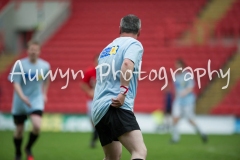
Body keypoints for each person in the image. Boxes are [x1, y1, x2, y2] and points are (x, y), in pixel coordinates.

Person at [92, 14, 147, 160]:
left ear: (120, 29)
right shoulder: (134, 44)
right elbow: (127, 64)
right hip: (116, 106)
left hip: (99, 110)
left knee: (112, 157)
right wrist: (123, 92)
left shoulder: (107, 49)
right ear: (139, 31)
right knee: (139, 151)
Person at [9, 41, 50, 160]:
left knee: (37, 126)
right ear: (27, 51)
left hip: (36, 99)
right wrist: (22, 97)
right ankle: (18, 152)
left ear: (39, 51)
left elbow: (47, 80)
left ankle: (28, 147)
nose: (33, 52)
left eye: (35, 49)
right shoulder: (19, 65)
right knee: (19, 130)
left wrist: (44, 94)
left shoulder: (45, 66)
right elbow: (15, 82)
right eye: (31, 49)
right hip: (20, 100)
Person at [171, 58, 207, 143]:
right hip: (179, 101)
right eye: (176, 65)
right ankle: (176, 138)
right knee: (175, 118)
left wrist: (184, 92)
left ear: (182, 66)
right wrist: (176, 98)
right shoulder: (176, 76)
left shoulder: (187, 75)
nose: (176, 67)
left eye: (178, 65)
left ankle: (202, 133)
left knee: (190, 119)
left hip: (188, 101)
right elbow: (176, 89)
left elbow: (190, 88)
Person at [80, 55, 98, 148]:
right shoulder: (90, 72)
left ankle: (94, 139)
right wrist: (89, 91)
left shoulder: (106, 72)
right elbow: (83, 84)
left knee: (99, 121)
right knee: (93, 121)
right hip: (91, 100)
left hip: (101, 101)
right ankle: (96, 135)